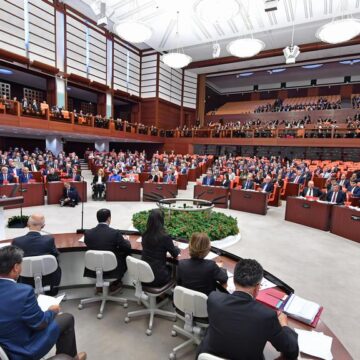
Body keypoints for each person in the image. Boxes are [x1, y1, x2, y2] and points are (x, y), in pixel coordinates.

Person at [198, 259, 299, 360]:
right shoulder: (266, 316)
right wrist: (284, 325)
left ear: (233, 280)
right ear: (257, 287)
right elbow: (292, 351)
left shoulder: (214, 299)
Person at [0, 245, 86, 360]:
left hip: (5, 346)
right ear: (16, 267)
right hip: (22, 350)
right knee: (67, 318)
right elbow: (40, 323)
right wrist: (52, 311)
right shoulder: (23, 292)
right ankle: (70, 357)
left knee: (64, 318)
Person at [12, 214, 61, 296]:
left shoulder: (17, 241)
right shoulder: (49, 240)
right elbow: (55, 256)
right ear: (43, 226)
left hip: (25, 280)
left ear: (27, 225)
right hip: (48, 279)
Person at [84, 209, 131, 292]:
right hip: (112, 271)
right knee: (126, 255)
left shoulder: (88, 233)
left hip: (93, 271)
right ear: (109, 218)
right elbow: (126, 247)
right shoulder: (115, 233)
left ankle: (100, 285)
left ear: (97, 218)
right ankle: (116, 283)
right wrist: (126, 240)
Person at [141, 209, 180, 287]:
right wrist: (177, 247)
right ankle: (166, 295)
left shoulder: (145, 235)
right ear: (162, 221)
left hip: (144, 276)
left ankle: (159, 296)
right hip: (157, 278)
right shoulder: (165, 237)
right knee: (170, 268)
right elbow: (175, 254)